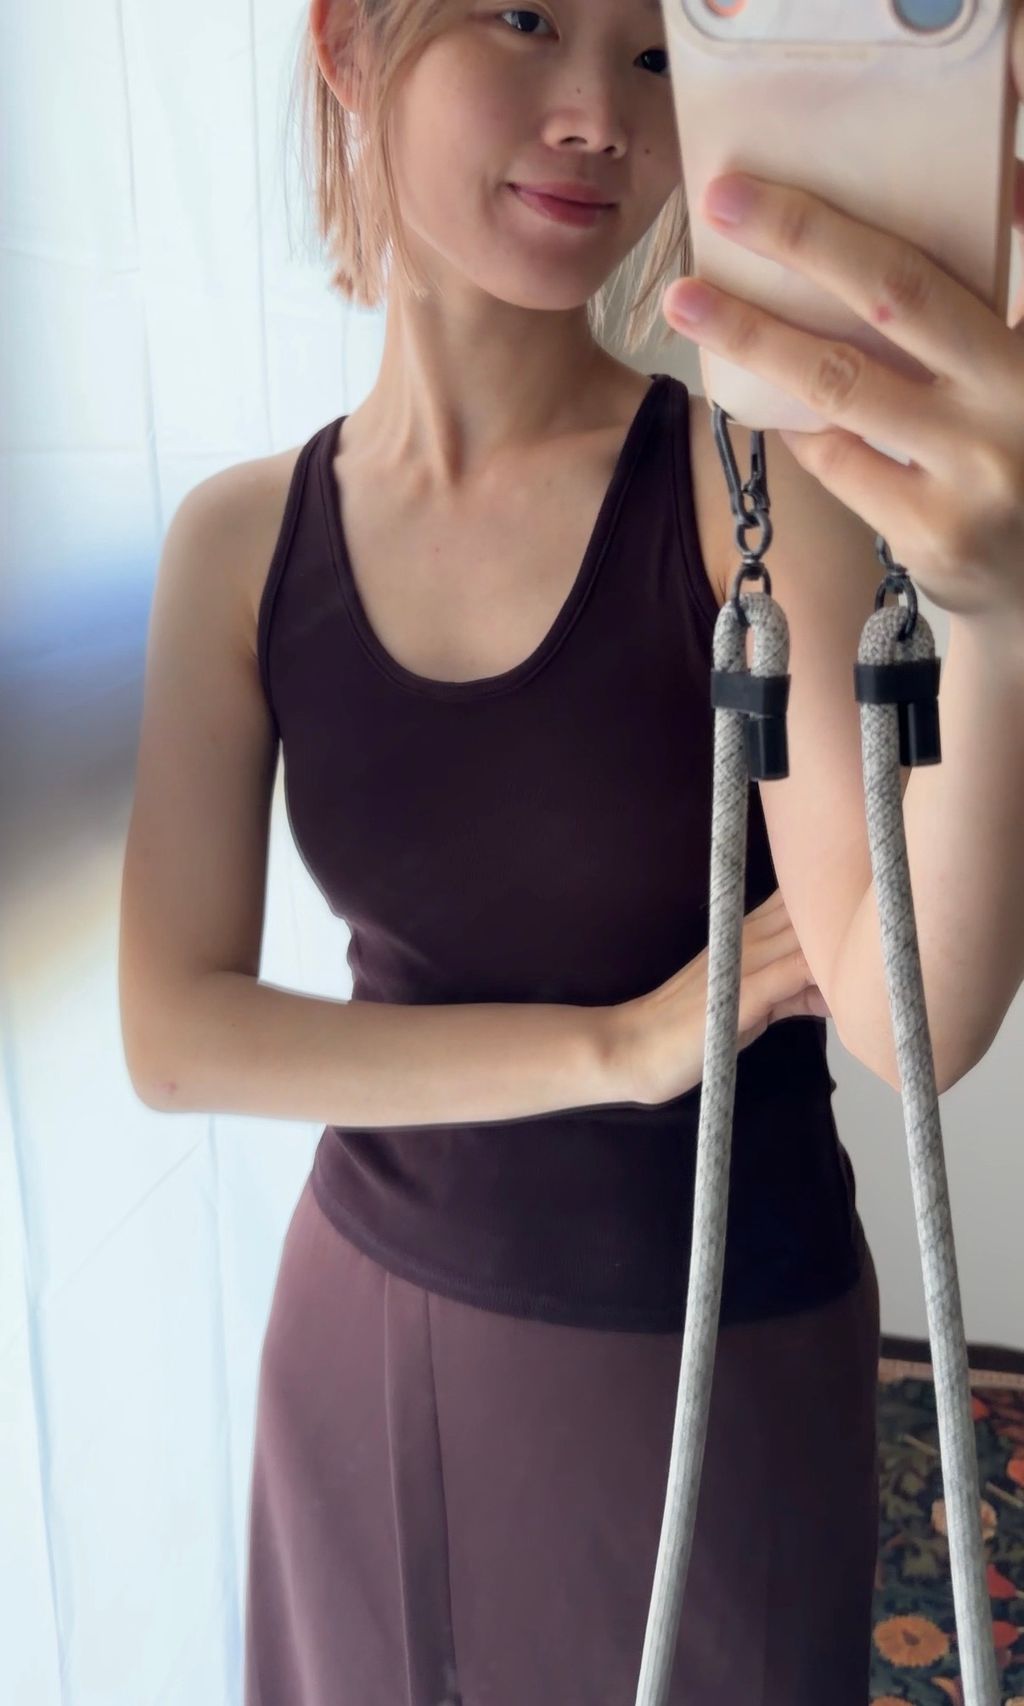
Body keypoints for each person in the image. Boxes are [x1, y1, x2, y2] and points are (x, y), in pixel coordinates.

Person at [118, 2, 881, 1701]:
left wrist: (1002, 602)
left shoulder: (749, 487)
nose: (600, 113)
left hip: (709, 1349)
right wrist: (618, 1046)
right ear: (348, 45)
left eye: (655, 56)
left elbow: (913, 1008)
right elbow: (175, 1037)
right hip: (359, 1333)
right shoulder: (240, 541)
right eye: (527, 16)